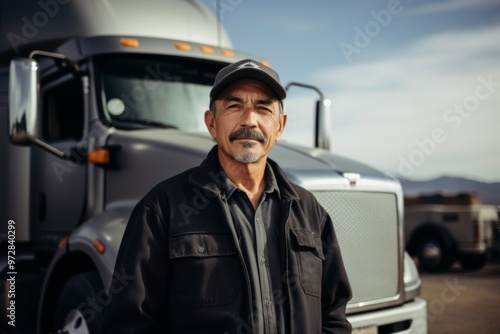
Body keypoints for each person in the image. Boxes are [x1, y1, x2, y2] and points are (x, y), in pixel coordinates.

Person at [100, 59, 352, 333]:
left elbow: (333, 316)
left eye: (263, 108)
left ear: (280, 126)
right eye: (234, 106)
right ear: (211, 123)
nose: (249, 120)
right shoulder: (162, 209)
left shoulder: (310, 212)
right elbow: (129, 323)